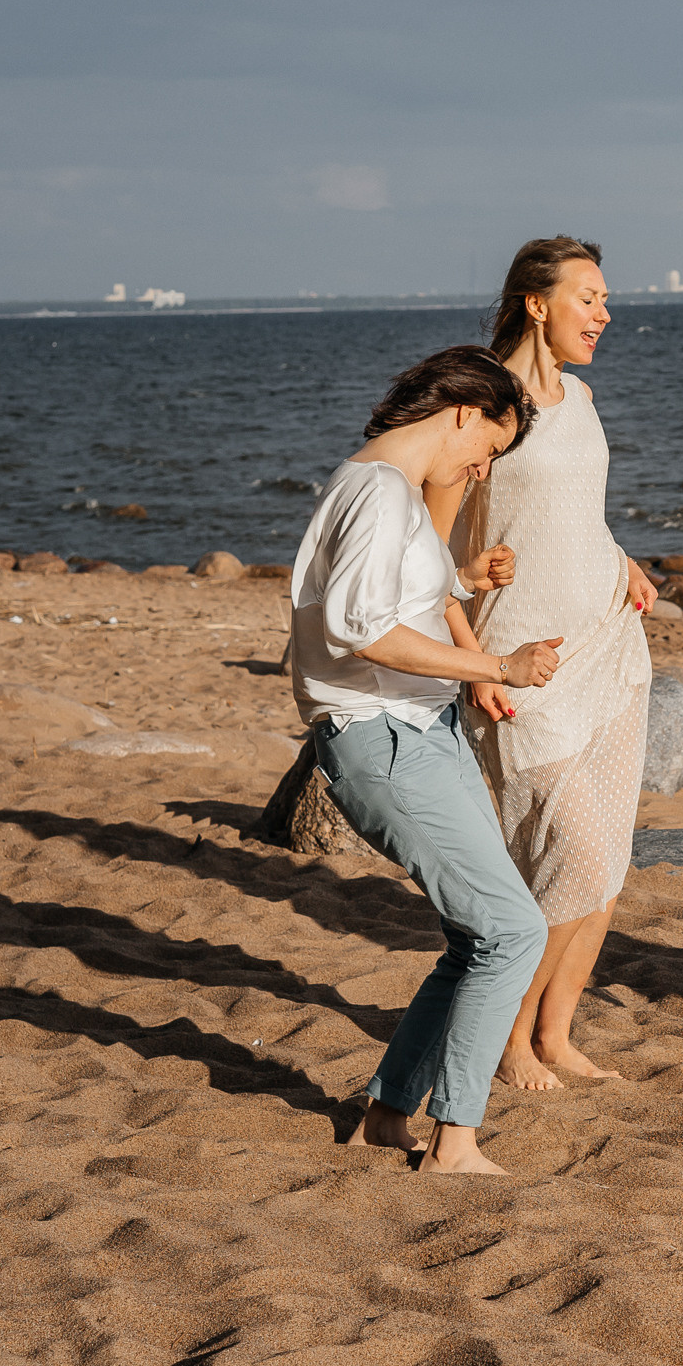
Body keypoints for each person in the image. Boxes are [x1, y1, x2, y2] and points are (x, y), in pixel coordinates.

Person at [290, 344, 564, 1173]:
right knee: (512, 931)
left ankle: (387, 1117)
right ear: (463, 412)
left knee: (479, 936)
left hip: (420, 729)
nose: (481, 470)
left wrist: (464, 580)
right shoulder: (378, 491)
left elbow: (389, 599)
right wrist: (498, 667)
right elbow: (362, 630)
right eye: (488, 448)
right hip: (383, 738)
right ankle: (457, 1142)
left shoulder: (389, 489)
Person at [426, 235, 659, 1092]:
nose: (604, 314)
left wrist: (622, 559)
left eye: (604, 299)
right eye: (588, 298)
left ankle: (555, 1034)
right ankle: (509, 1037)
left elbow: (573, 513)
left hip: (609, 640)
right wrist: (474, 664)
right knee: (572, 853)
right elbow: (428, 548)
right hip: (524, 662)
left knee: (607, 862)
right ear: (536, 302)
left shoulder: (582, 397)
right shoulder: (479, 404)